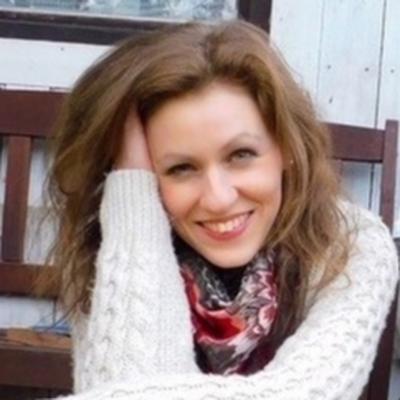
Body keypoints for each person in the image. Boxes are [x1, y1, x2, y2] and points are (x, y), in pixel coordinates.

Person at [43, 20, 398, 400]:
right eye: (181, 168)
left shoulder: (352, 244)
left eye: (241, 155)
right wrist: (133, 204)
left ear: (287, 147)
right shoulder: (118, 246)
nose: (218, 198)